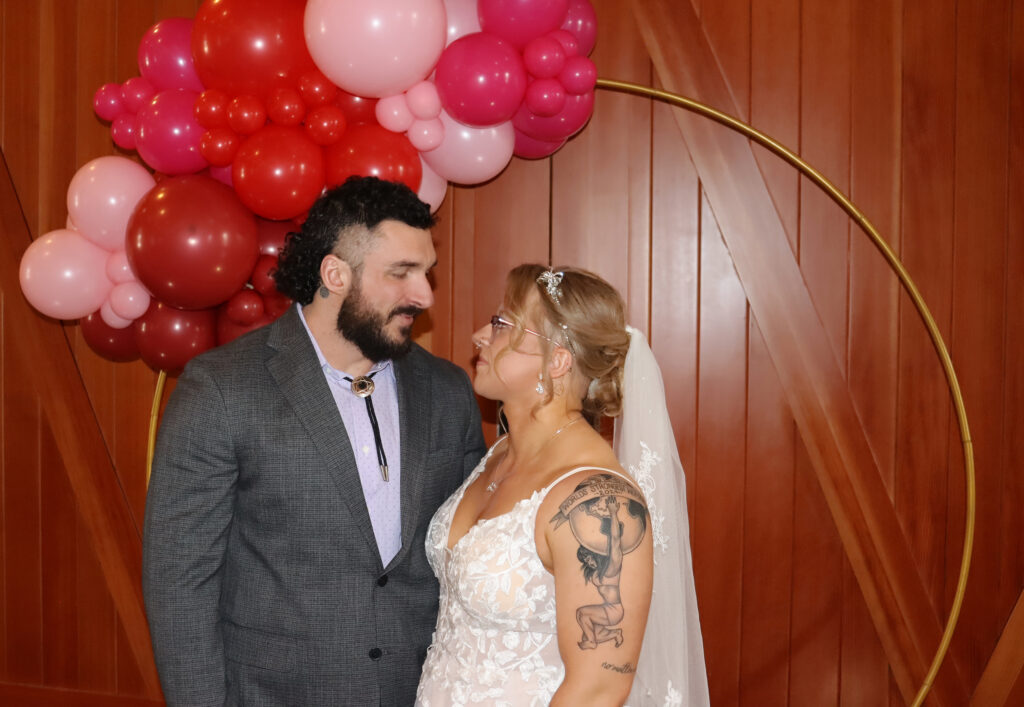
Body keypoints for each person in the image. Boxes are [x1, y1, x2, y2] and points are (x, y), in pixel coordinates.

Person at [143, 176, 487, 706]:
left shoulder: (447, 390)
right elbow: (179, 583)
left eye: (426, 273)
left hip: (422, 689)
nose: (423, 294)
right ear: (335, 274)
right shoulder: (223, 388)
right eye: (402, 273)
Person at [416, 265, 709, 706]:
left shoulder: (599, 500)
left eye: (501, 326)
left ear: (558, 360)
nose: (479, 335)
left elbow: (598, 689)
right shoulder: (498, 454)